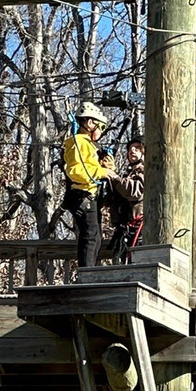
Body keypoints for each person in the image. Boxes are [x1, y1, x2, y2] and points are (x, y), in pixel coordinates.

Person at [63, 102, 113, 268]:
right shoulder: (79, 142)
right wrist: (101, 172)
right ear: (90, 123)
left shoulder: (87, 144)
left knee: (96, 237)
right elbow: (76, 170)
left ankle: (90, 271)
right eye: (101, 127)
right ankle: (87, 275)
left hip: (90, 196)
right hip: (82, 195)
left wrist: (105, 167)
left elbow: (87, 167)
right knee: (90, 237)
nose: (101, 131)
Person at [103, 136, 144, 264]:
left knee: (138, 262)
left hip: (140, 227)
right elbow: (113, 199)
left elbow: (134, 191)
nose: (132, 150)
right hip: (125, 227)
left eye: (137, 147)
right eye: (130, 148)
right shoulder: (128, 174)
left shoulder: (147, 170)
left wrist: (115, 177)